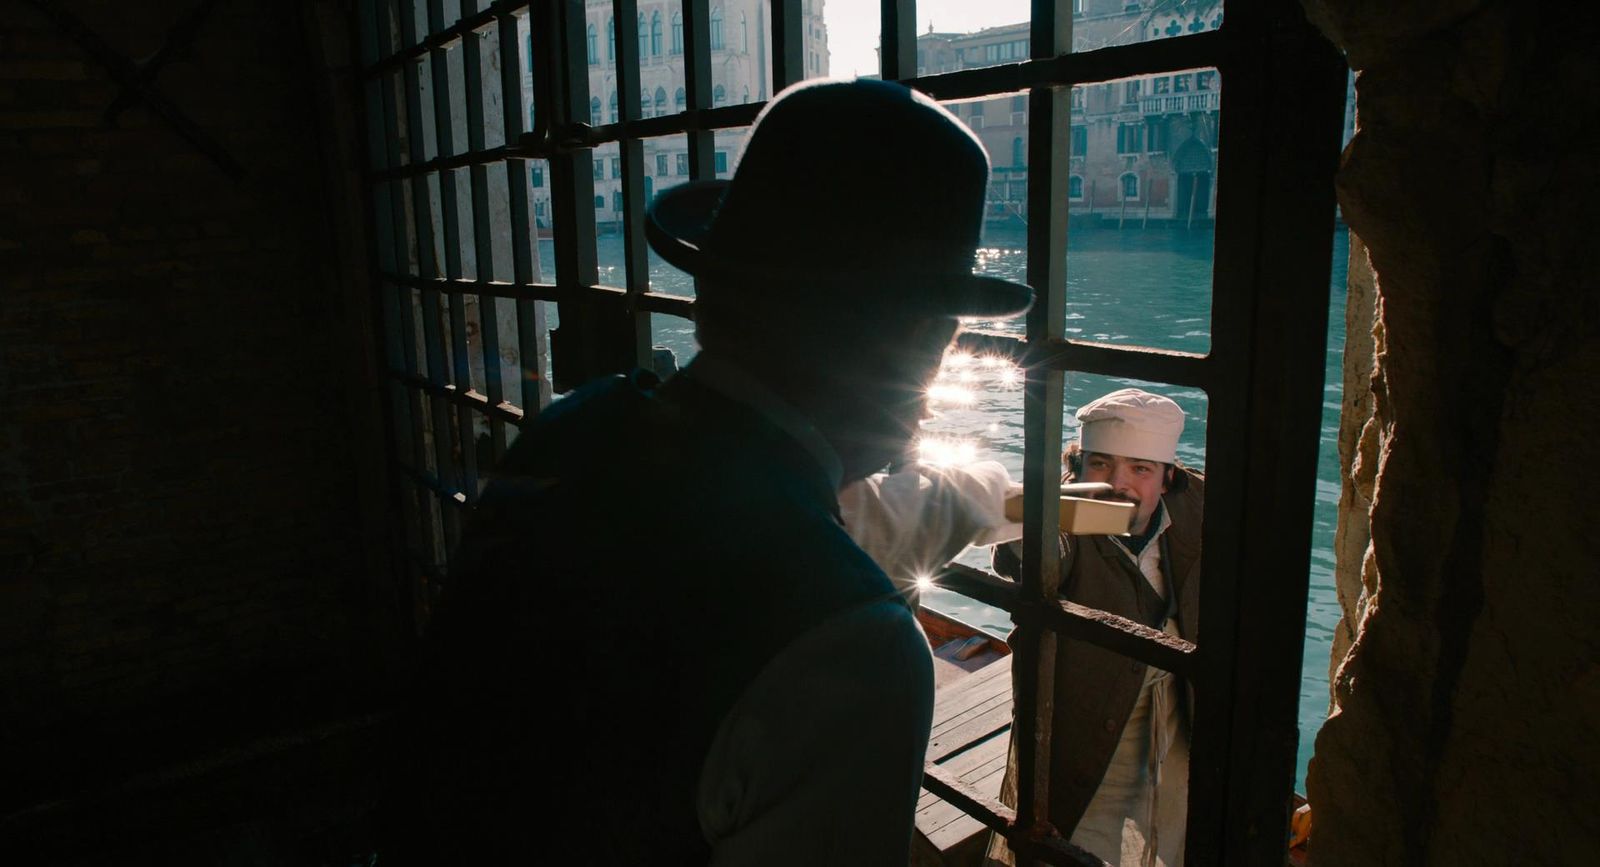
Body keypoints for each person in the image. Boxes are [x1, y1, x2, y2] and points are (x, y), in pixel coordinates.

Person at [397, 79, 1033, 865]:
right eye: (944, 326)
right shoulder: (855, 649)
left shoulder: (575, 431)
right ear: (911, 338)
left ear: (710, 292)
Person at [987, 388, 1203, 867]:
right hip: (1087, 730)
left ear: (1168, 478)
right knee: (1078, 842)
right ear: (1077, 468)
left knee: (1171, 835)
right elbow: (1025, 555)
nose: (1116, 483)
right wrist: (1036, 518)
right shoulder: (1066, 519)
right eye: (1100, 464)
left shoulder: (1194, 508)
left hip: (1174, 727)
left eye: (1139, 469)